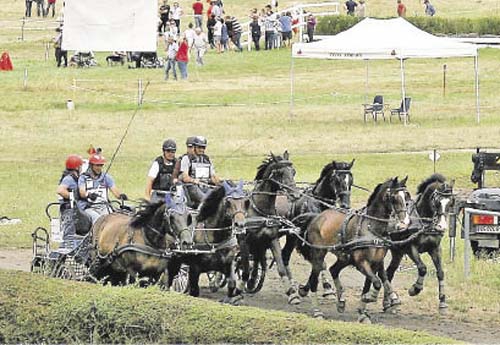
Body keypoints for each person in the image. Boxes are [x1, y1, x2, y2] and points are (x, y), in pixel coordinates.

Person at [78, 153, 127, 224]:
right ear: (91, 165)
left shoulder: (106, 177)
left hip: (104, 206)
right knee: (98, 221)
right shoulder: (83, 178)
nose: (99, 168)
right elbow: (82, 192)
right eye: (97, 165)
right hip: (90, 207)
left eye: (101, 165)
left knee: (111, 220)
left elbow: (115, 192)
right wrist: (88, 195)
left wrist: (121, 196)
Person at [180, 136, 220, 208]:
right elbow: (185, 177)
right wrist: (194, 180)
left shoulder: (207, 159)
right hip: (192, 187)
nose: (201, 149)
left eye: (203, 147)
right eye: (199, 147)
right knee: (206, 200)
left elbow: (213, 176)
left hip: (205, 186)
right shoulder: (186, 158)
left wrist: (220, 183)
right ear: (194, 147)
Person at [56, 154, 83, 239]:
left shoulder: (77, 177)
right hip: (69, 209)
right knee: (69, 234)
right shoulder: (69, 178)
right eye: (80, 166)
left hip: (76, 208)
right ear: (77, 167)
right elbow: (60, 190)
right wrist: (73, 197)